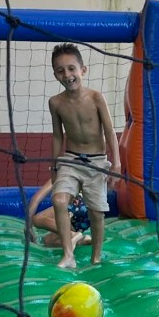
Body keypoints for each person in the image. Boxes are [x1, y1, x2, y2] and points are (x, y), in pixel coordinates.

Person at [36, 43, 120, 270]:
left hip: (96, 161)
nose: (67, 75)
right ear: (55, 74)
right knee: (58, 200)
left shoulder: (96, 97)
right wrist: (54, 165)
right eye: (60, 70)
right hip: (70, 160)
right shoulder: (56, 102)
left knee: (96, 212)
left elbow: (110, 131)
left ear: (83, 70)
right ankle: (68, 254)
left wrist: (117, 163)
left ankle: (96, 257)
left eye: (71, 68)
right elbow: (57, 135)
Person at [25, 177, 92, 251]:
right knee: (48, 240)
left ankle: (71, 234)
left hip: (78, 203)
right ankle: (81, 240)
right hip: (90, 214)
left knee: (37, 219)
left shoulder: (59, 174)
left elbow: (36, 199)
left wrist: (28, 227)